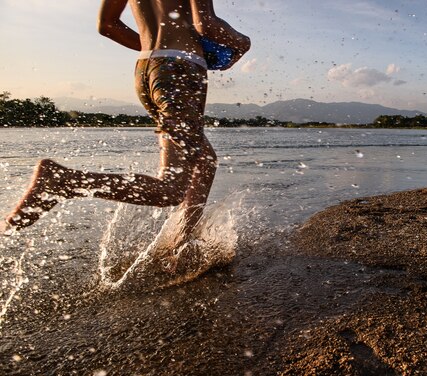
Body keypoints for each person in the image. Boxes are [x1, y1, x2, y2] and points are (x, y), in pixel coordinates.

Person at [2, 0, 250, 236]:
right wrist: (242, 43)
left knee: (204, 161)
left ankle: (182, 242)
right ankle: (63, 181)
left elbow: (107, 25)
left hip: (147, 69)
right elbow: (206, 24)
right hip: (180, 70)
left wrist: (152, 47)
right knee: (170, 189)